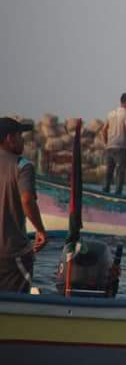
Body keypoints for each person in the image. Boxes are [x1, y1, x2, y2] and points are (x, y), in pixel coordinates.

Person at [1, 117, 47, 293]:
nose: (23, 140)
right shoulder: (22, 165)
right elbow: (27, 199)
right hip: (12, 254)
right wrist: (40, 230)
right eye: (20, 135)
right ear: (9, 139)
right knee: (16, 303)